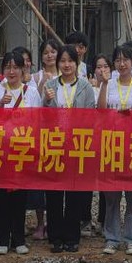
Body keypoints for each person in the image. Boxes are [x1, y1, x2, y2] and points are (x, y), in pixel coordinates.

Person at [44, 45, 97, 252]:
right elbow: (42, 115)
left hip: (77, 145)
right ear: (58, 63)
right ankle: (55, 236)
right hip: (55, 144)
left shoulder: (85, 87)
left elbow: (91, 115)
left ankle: (72, 236)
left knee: (75, 192)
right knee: (54, 192)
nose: (66, 65)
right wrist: (47, 100)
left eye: (70, 61)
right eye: (63, 61)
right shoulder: (49, 85)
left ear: (77, 63)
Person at [0, 50, 41, 256]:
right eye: (8, 67)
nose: (11, 71)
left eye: (15, 67)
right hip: (0, 150)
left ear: (23, 69)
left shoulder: (31, 92)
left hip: (22, 150)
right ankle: (1, 238)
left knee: (20, 197)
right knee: (0, 197)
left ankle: (19, 238)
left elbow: (37, 121)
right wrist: (0, 104)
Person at [96, 45, 132, 255]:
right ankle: (112, 238)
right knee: (111, 197)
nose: (122, 64)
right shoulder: (108, 85)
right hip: (111, 145)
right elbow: (100, 110)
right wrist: (104, 84)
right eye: (118, 60)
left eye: (126, 60)